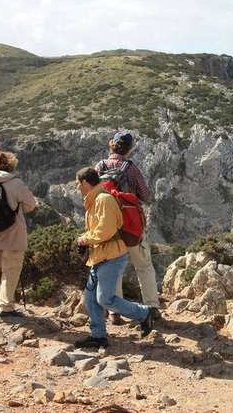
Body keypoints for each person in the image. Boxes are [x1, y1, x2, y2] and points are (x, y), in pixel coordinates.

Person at [74, 167, 153, 349]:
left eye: (78, 183)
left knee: (106, 299)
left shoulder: (103, 200)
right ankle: (98, 335)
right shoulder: (95, 200)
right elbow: (98, 228)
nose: (77, 187)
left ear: (85, 183)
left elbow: (106, 230)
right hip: (100, 255)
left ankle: (144, 313)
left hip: (111, 256)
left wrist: (84, 239)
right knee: (91, 299)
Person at [95, 131, 161, 325]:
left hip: (107, 225)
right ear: (129, 149)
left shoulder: (100, 166)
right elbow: (146, 196)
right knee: (144, 265)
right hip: (130, 225)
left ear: (111, 145)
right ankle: (152, 307)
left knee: (114, 268)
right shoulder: (131, 169)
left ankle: (115, 312)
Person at [0, 150, 37, 317]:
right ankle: (6, 305)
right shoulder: (15, 183)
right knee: (10, 269)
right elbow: (30, 205)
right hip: (13, 233)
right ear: (10, 164)